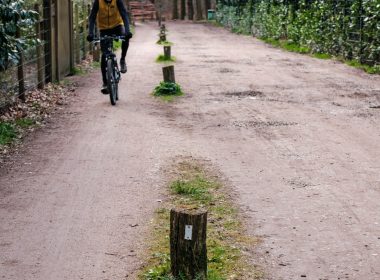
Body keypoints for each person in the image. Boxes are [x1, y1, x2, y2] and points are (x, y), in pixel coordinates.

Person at [87, 0, 133, 94]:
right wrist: (90, 33)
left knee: (126, 37)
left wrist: (127, 30)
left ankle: (122, 60)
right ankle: (105, 83)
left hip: (117, 26)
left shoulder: (117, 1)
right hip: (104, 29)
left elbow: (124, 14)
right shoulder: (98, 1)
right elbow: (92, 17)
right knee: (104, 55)